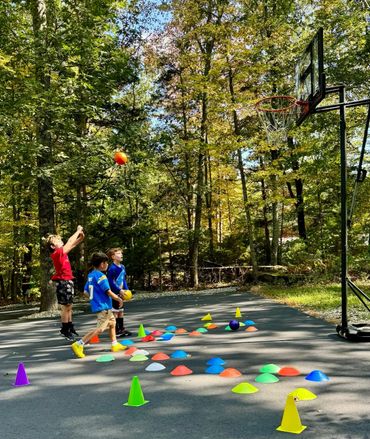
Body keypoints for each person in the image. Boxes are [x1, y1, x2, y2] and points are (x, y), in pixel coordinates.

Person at [71, 251, 126, 358]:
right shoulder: (102, 276)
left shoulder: (91, 276)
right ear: (102, 264)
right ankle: (79, 344)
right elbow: (108, 291)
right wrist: (119, 299)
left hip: (101, 306)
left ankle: (114, 344)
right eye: (106, 263)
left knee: (112, 323)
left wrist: (94, 299)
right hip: (104, 306)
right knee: (100, 328)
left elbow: (86, 292)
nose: (107, 265)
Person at [46, 226, 85, 340]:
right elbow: (70, 241)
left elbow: (73, 244)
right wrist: (77, 231)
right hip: (63, 282)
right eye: (57, 241)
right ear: (53, 246)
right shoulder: (57, 253)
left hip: (68, 280)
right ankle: (64, 329)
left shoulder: (62, 252)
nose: (60, 241)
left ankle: (70, 326)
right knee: (65, 307)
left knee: (69, 306)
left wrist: (81, 237)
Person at [106, 248, 132, 337]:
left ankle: (121, 329)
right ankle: (116, 330)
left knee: (121, 311)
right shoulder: (112, 268)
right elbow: (111, 282)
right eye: (118, 253)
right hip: (115, 293)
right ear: (113, 257)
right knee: (115, 312)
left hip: (121, 292)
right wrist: (119, 290)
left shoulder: (123, 267)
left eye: (121, 253)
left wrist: (126, 290)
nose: (121, 255)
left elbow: (123, 280)